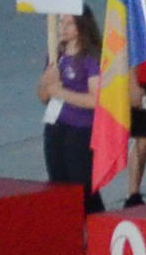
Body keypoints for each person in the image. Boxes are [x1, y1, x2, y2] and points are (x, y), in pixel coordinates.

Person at [38, 11, 102, 208]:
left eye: (69, 23)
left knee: (82, 185)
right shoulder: (56, 54)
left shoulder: (90, 58)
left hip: (81, 130)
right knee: (58, 183)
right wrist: (45, 82)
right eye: (60, 22)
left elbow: (95, 100)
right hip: (56, 127)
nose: (62, 28)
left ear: (82, 27)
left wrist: (61, 92)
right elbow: (44, 97)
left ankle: (95, 224)